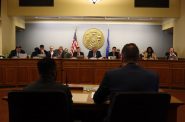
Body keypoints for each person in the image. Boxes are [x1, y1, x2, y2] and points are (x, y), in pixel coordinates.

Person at [93, 43, 159, 104]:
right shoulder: (153, 76)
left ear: (122, 57)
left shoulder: (111, 75)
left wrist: (110, 96)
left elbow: (97, 99)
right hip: (145, 116)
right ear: (138, 57)